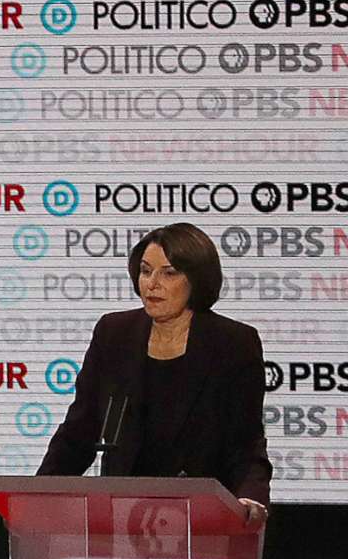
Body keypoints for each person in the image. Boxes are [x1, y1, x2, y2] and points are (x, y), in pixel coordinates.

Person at [38, 222, 270, 523]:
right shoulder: (114, 333)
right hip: (123, 514)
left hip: (200, 519)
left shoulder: (233, 343)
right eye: (146, 271)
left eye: (169, 273)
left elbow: (246, 441)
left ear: (197, 280)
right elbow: (80, 430)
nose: (152, 283)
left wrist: (250, 497)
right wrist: (40, 495)